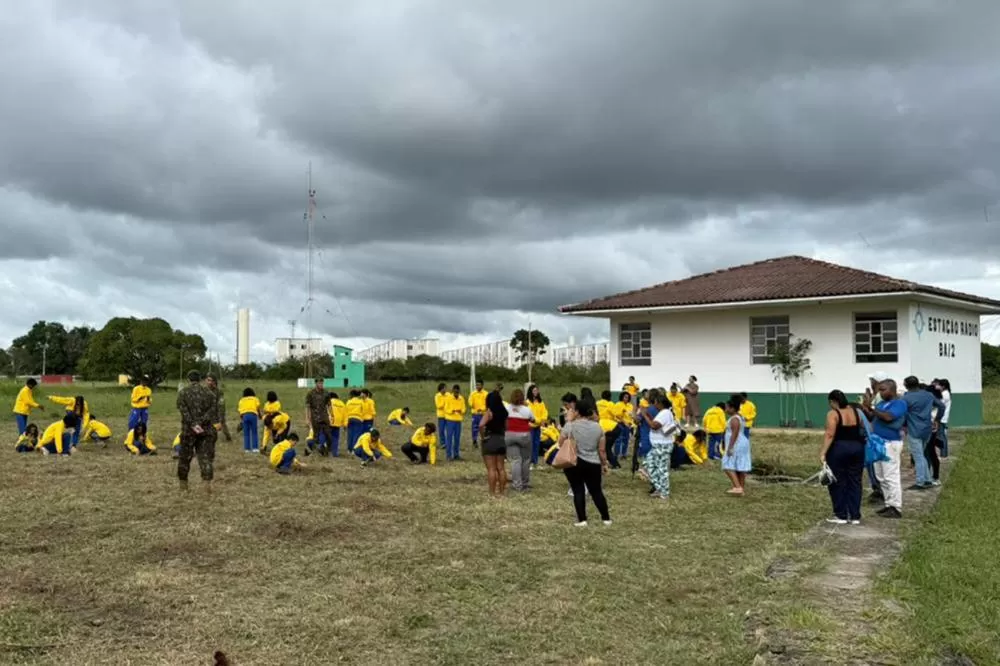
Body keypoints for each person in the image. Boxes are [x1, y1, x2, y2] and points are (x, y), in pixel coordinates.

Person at [859, 379, 907, 519]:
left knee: (891, 475)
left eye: (883, 389)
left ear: (892, 389)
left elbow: (888, 417)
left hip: (890, 444)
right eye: (879, 389)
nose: (880, 392)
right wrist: (866, 407)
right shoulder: (881, 403)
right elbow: (873, 417)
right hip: (878, 443)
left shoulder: (899, 403)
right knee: (880, 475)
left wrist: (873, 408)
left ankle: (896, 506)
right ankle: (888, 503)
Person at [561, 398, 612, 526]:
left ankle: (582, 519)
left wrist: (569, 421)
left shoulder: (570, 426)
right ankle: (606, 518)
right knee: (596, 491)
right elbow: (601, 450)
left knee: (578, 490)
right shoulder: (598, 428)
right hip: (593, 462)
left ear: (577, 412)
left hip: (574, 462)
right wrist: (604, 464)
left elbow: (560, 442)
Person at [819, 390, 866, 525]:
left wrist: (823, 452)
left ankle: (841, 514)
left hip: (839, 448)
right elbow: (862, 428)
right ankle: (855, 515)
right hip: (857, 448)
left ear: (833, 402)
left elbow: (830, 434)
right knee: (855, 481)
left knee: (838, 481)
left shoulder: (833, 414)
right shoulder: (856, 412)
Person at [176, 371, 219, 492]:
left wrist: (193, 423)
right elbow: (211, 412)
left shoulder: (183, 393)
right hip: (206, 430)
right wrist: (200, 423)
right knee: (205, 457)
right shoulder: (210, 394)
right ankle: (207, 486)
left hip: (188, 431)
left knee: (184, 458)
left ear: (188, 379)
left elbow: (183, 411)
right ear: (200, 379)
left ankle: (183, 486)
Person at [901, 376, 945, 490]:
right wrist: (937, 419)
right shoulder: (928, 395)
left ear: (906, 385)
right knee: (923, 454)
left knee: (918, 456)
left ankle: (920, 481)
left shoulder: (906, 398)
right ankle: (927, 479)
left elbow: (902, 414)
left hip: (914, 429)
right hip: (927, 429)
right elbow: (941, 406)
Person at [642, 394, 680, 499]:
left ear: (660, 403)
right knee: (649, 464)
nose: (654, 404)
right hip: (660, 445)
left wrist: (645, 416)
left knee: (661, 469)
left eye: (655, 402)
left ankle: (664, 492)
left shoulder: (664, 413)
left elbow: (655, 426)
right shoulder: (666, 412)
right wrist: (649, 417)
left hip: (662, 445)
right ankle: (659, 488)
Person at [862, 371, 889, 503]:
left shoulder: (879, 396)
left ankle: (878, 489)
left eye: (872, 380)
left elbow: (873, 415)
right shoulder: (880, 395)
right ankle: (879, 488)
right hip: (878, 432)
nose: (870, 382)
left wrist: (866, 405)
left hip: (876, 433)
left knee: (872, 462)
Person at [478, 387, 509, 497]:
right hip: (501, 439)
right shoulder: (504, 412)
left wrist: (483, 437)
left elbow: (481, 425)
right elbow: (507, 427)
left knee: (491, 469)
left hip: (490, 439)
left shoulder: (489, 412)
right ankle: (502, 491)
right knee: (501, 468)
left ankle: (492, 492)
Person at [505, 388, 536, 491]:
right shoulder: (526, 409)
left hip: (509, 435)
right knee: (525, 460)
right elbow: (533, 420)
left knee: (515, 460)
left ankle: (516, 484)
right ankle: (524, 483)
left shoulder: (507, 407)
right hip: (523, 435)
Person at [722, 395, 752, 496]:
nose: (725, 410)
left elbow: (734, 434)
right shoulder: (740, 416)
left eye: (727, 408)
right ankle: (741, 489)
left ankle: (737, 487)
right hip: (742, 442)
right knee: (740, 466)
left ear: (732, 408)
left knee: (727, 465)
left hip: (737, 443)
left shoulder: (734, 419)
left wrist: (730, 447)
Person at [305, 379, 336, 456]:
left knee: (328, 435)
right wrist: (307, 418)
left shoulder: (326, 393)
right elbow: (307, 407)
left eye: (322, 383)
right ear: (316, 384)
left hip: (324, 417)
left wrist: (332, 415)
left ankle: (328, 451)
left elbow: (329, 405)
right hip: (315, 417)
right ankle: (316, 452)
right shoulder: (310, 393)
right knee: (316, 436)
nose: (321, 384)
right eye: (319, 383)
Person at [924, 384, 945, 486]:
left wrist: (936, 420)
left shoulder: (934, 402)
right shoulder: (935, 401)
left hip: (931, 429)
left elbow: (941, 408)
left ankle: (934, 476)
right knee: (930, 453)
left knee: (930, 453)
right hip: (932, 428)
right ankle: (931, 476)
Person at [596, 391, 622, 469]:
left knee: (606, 448)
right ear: (610, 397)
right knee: (607, 447)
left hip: (602, 426)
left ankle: (615, 464)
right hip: (613, 427)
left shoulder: (597, 403)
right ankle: (613, 462)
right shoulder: (610, 404)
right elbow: (617, 414)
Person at [443, 384, 467, 461]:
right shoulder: (448, 398)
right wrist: (452, 410)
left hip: (458, 420)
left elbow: (464, 408)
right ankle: (448, 455)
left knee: (457, 438)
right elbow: (446, 408)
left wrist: (461, 411)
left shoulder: (461, 398)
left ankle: (456, 455)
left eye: (457, 391)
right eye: (455, 391)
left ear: (459, 391)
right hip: (450, 420)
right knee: (449, 438)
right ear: (453, 391)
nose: (456, 393)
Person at [205, 374, 232, 443]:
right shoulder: (204, 390)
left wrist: (221, 414)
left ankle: (228, 436)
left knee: (222, 423)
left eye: (211, 380)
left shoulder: (218, 391)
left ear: (214, 382)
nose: (209, 382)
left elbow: (221, 403)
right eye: (208, 380)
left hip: (217, 410)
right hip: (208, 410)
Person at [526, 384, 548, 466]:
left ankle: (535, 462)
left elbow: (544, 412)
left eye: (537, 390)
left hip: (538, 426)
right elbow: (529, 414)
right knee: (530, 444)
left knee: (536, 444)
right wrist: (538, 421)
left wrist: (543, 420)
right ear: (530, 391)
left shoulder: (540, 402)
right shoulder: (527, 402)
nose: (536, 392)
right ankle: (529, 462)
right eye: (534, 390)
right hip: (530, 426)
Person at [238, 388, 262, 454]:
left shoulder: (241, 400)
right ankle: (255, 448)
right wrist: (260, 415)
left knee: (246, 433)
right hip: (253, 415)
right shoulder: (255, 399)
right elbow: (258, 408)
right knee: (254, 432)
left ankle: (247, 449)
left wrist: (242, 419)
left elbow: (240, 411)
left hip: (245, 416)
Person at [933, 378, 952, 458]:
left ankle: (944, 453)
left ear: (943, 386)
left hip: (941, 417)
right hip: (941, 417)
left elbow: (939, 404)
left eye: (938, 385)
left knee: (941, 436)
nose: (937, 386)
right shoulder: (944, 393)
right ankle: (943, 452)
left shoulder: (945, 394)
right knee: (940, 435)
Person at [613, 392, 633, 460]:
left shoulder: (630, 405)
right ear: (622, 397)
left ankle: (624, 454)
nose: (626, 398)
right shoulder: (618, 404)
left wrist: (630, 423)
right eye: (625, 397)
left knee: (626, 440)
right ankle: (616, 455)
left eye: (627, 397)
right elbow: (617, 416)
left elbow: (631, 415)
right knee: (618, 440)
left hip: (628, 425)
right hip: (620, 424)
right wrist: (624, 422)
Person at [344, 390, 366, 454]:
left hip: (350, 419)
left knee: (350, 434)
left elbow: (346, 412)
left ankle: (349, 449)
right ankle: (354, 449)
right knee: (356, 435)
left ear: (352, 395)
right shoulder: (361, 402)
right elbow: (363, 411)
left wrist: (345, 423)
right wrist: (362, 419)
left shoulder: (348, 402)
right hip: (358, 419)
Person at [469, 381, 488, 447]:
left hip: (483, 414)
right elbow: (470, 402)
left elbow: (487, 404)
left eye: (479, 385)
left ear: (482, 386)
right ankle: (474, 441)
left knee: (484, 427)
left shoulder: (486, 394)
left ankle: (484, 440)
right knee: (474, 428)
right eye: (477, 385)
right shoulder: (473, 394)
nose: (478, 386)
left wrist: (482, 409)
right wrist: (473, 405)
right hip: (475, 414)